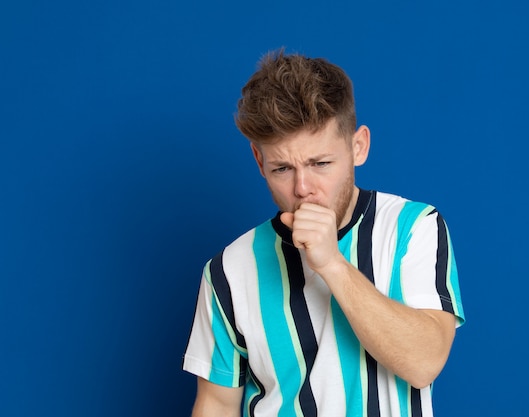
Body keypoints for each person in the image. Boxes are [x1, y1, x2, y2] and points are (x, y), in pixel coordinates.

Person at [183, 49, 465, 417]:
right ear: (259, 161)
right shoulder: (228, 271)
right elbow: (216, 405)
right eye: (282, 168)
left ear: (358, 147)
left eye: (321, 163)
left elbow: (424, 362)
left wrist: (332, 264)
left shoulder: (414, 228)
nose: (303, 188)